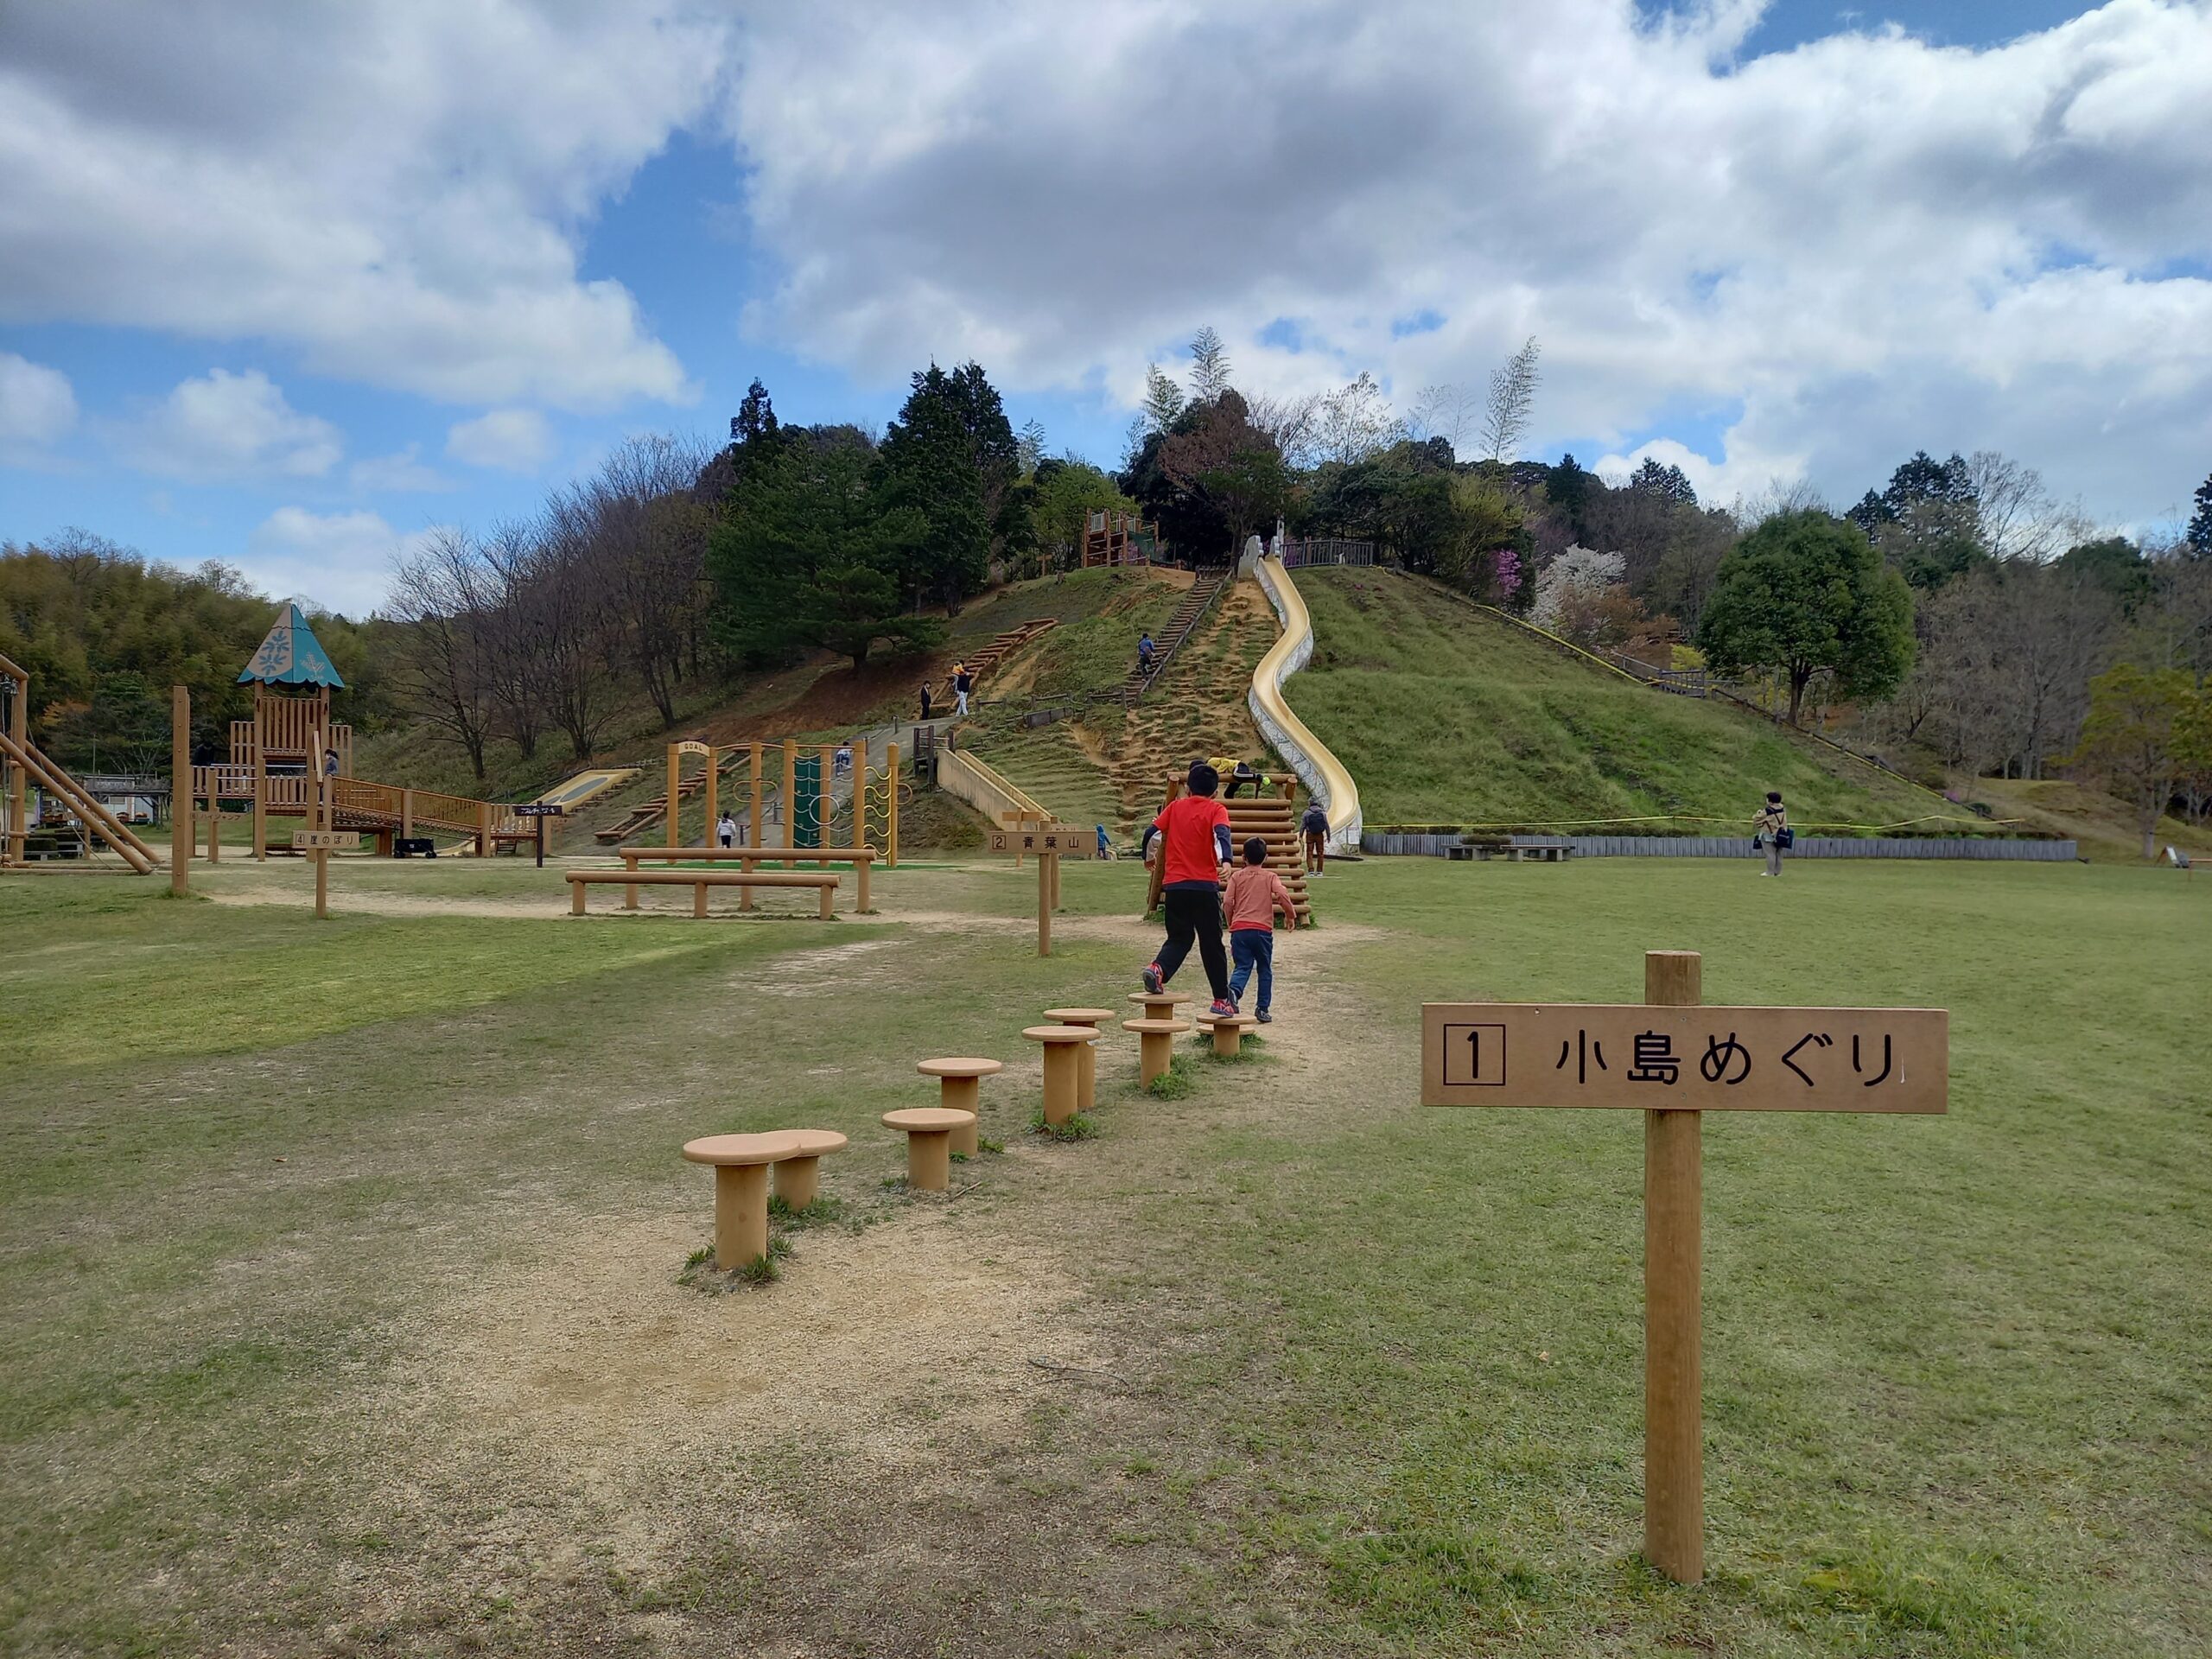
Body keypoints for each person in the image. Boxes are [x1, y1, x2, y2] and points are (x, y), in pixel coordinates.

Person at [1140, 760, 1236, 1016]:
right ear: (1215, 793)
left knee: (1180, 937)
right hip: (1204, 886)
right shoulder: (1217, 809)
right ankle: (1221, 1000)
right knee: (1211, 943)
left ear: (1189, 789)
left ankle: (1158, 969)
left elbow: (1151, 833)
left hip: (1175, 886)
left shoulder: (1174, 807)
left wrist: (1148, 858)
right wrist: (1225, 860)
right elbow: (1221, 835)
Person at [1224, 836, 1297, 1022]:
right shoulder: (1270, 876)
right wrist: (1290, 915)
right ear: (1265, 858)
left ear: (1243, 857)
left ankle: (1233, 992)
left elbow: (1227, 901)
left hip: (1240, 929)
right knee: (1264, 969)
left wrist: (1231, 921)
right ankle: (1262, 1008)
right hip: (1262, 930)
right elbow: (1281, 893)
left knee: (1242, 965)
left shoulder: (1236, 876)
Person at [1754, 791, 1789, 877]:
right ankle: (1778, 872)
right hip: (1782, 834)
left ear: (1770, 801)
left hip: (1769, 834)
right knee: (1779, 854)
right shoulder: (1783, 809)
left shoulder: (1768, 810)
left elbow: (1757, 819)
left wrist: (1758, 813)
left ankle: (1770, 872)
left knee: (1770, 854)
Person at [1300, 798, 1329, 875]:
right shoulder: (1323, 813)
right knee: (1320, 853)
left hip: (1310, 834)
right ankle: (1320, 871)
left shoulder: (1306, 813)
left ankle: (1311, 870)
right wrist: (1328, 835)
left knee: (1309, 852)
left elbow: (1303, 825)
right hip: (1320, 834)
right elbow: (1326, 825)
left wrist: (1301, 835)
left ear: (1309, 803)